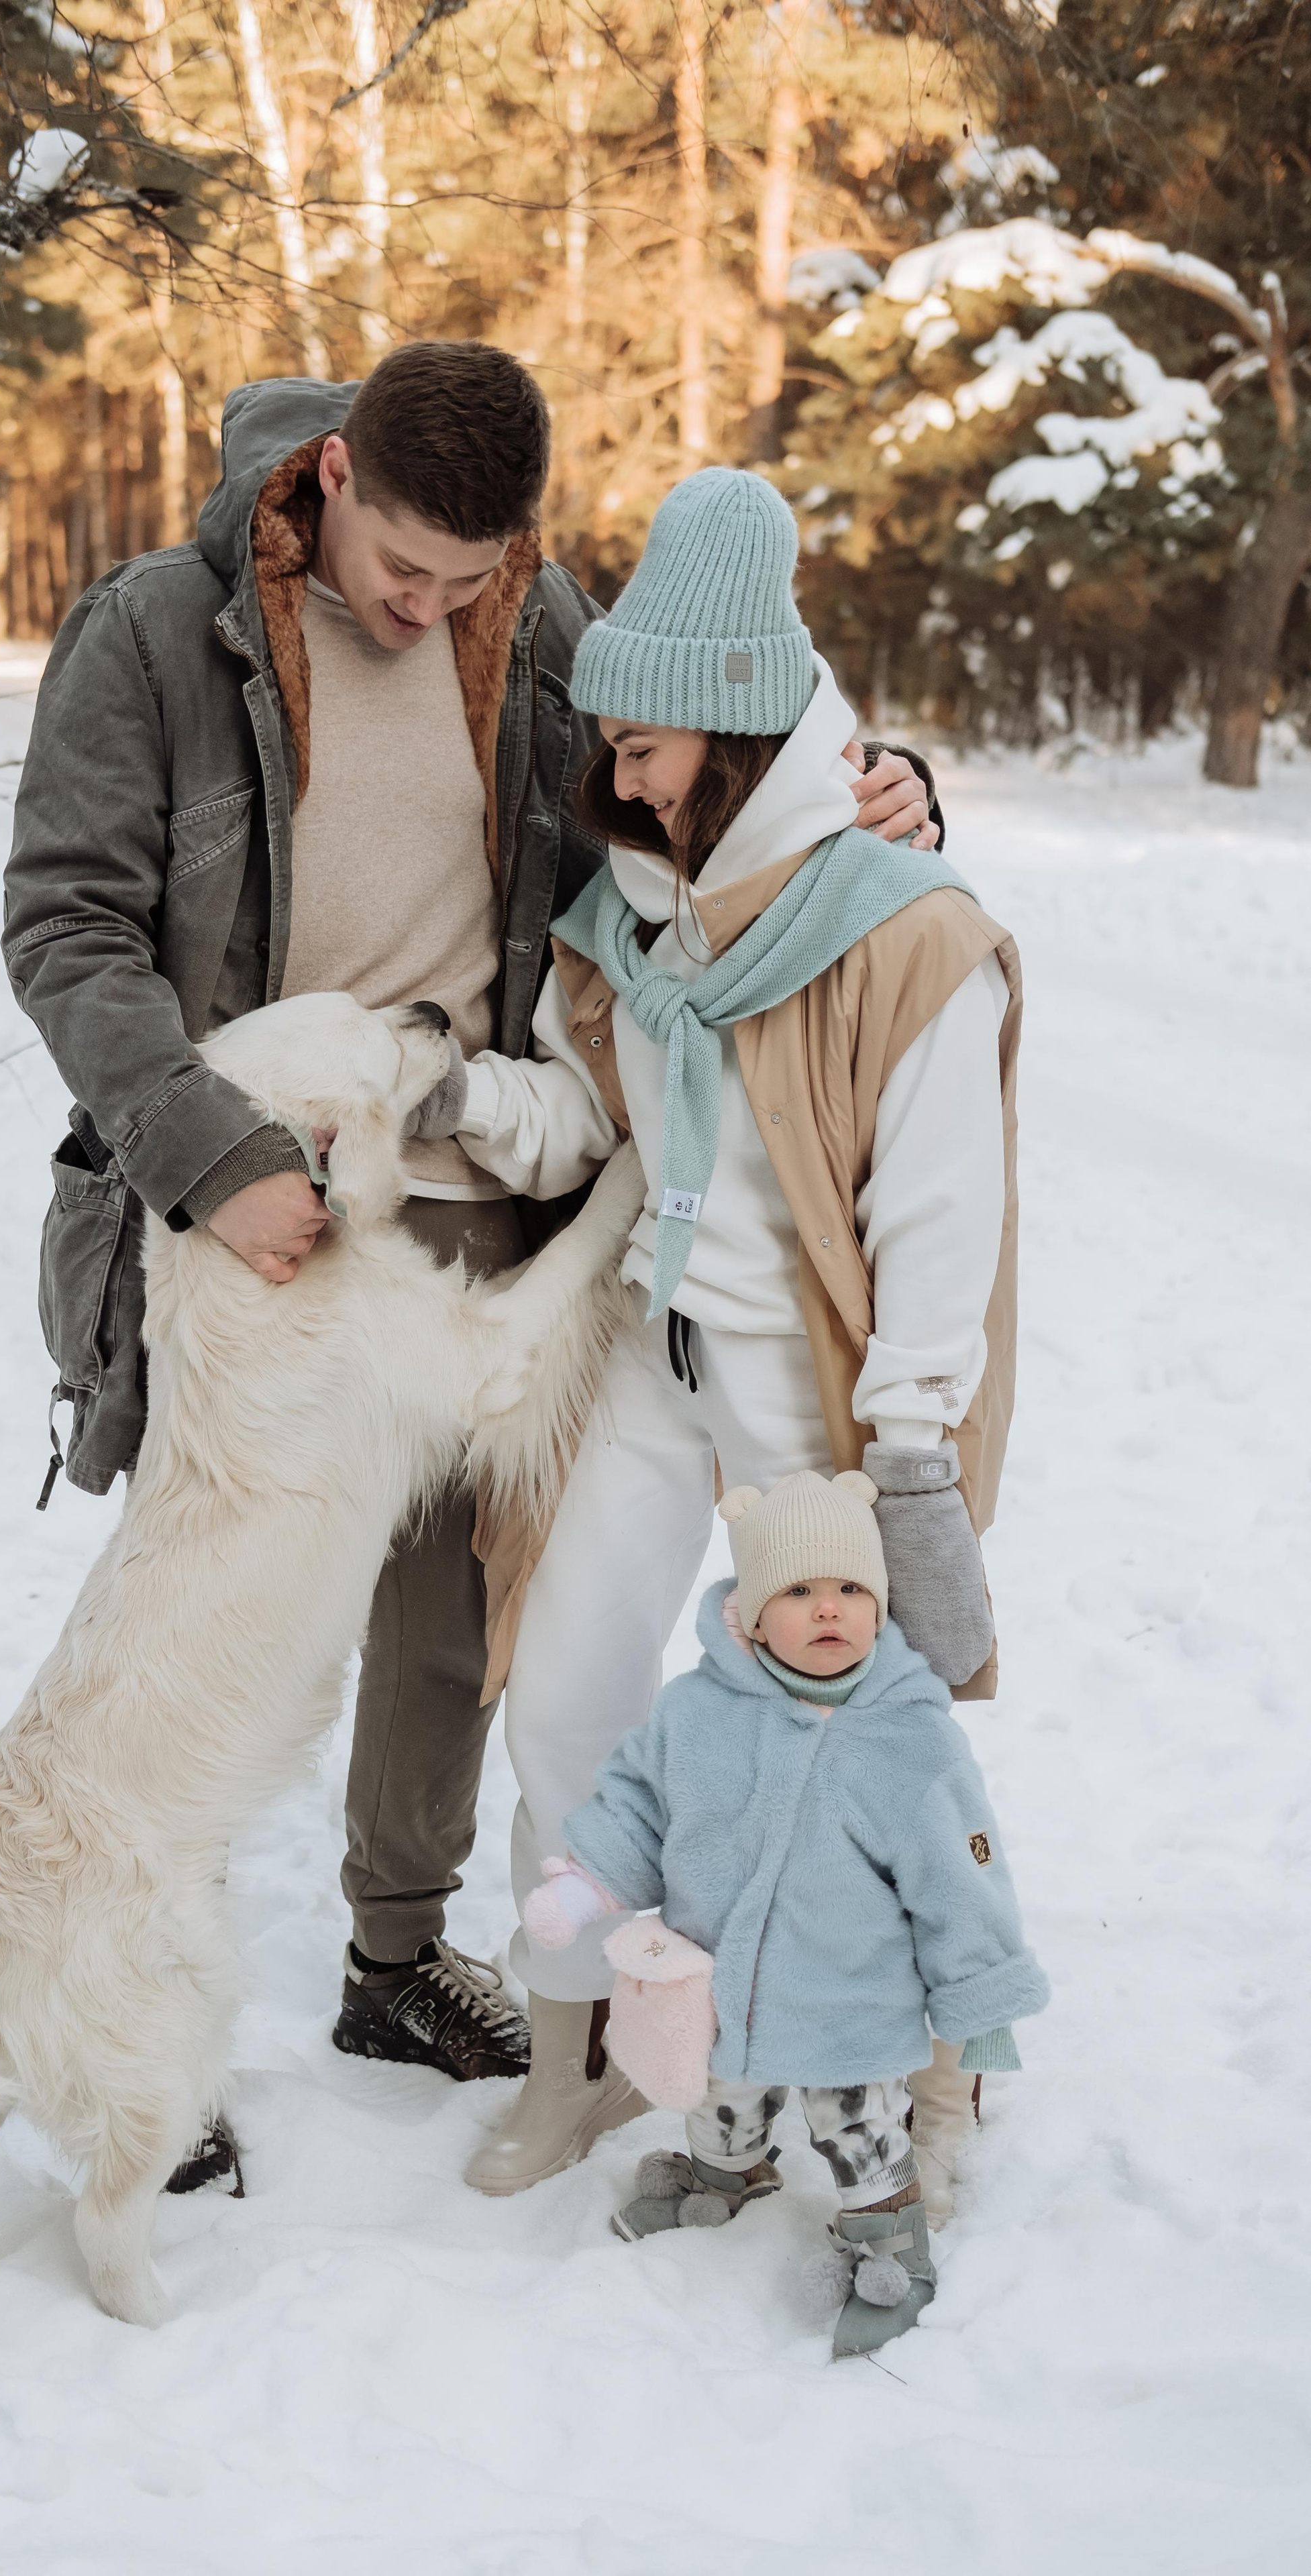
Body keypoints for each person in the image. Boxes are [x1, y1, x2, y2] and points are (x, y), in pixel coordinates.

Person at [2, 346, 943, 2129]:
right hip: (249, 1217)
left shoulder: (538, 615)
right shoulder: (157, 631)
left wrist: (874, 787)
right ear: (334, 474)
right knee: (213, 1614)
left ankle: (398, 1955)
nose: (432, 607)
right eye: (408, 570)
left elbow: (707, 762)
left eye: (472, 579)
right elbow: (70, 924)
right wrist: (206, 1150)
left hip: (476, 1197)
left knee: (447, 1630)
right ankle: (131, 1995)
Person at [448, 466, 1022, 2203]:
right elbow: (576, 1126)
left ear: (732, 732)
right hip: (645, 1362)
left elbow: (943, 1228)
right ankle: (585, 2054)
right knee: (564, 1710)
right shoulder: (631, 919)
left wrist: (906, 1464)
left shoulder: (909, 940)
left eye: (641, 747)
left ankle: (920, 2060)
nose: (614, 775)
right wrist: (422, 1106)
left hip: (813, 1409)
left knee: (844, 1745)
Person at [521, 1468, 1048, 2359]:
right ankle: (723, 2176)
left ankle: (890, 2241)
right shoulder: (699, 1714)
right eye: (799, 1591)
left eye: (850, 1588)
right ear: (750, 1615)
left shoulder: (910, 1738)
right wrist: (585, 1886)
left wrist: (979, 2000)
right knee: (719, 2102)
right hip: (720, 1988)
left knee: (861, 2134)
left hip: (851, 2004)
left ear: (879, 1606)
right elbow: (641, 1807)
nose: (829, 1608)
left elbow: (964, 1877)